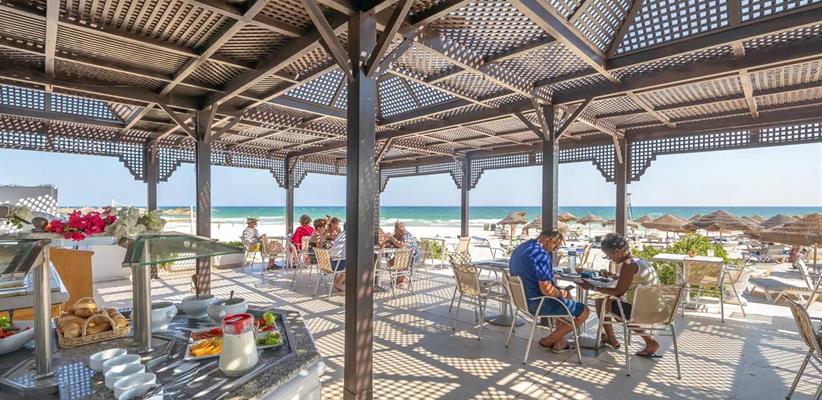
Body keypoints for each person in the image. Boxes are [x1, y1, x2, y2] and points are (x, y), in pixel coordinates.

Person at [581, 233, 660, 357]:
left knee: (601, 302)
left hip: (640, 311)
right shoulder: (640, 260)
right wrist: (614, 276)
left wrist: (592, 287)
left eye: (609, 255)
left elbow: (619, 292)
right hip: (656, 308)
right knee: (611, 304)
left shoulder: (628, 265)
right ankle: (644, 340)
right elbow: (630, 279)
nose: (610, 259)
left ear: (617, 251)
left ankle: (614, 339)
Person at [509, 230, 589, 353]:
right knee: (584, 311)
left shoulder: (520, 248)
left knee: (564, 296)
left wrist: (561, 293)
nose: (555, 250)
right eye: (556, 246)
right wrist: (562, 293)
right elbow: (547, 290)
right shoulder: (540, 254)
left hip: (521, 301)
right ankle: (548, 341)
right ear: (549, 241)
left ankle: (560, 341)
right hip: (538, 303)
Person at [329, 223, 347, 291]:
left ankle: (342, 281)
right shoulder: (350, 236)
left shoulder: (340, 235)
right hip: (337, 264)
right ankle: (338, 283)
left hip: (330, 264)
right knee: (354, 265)